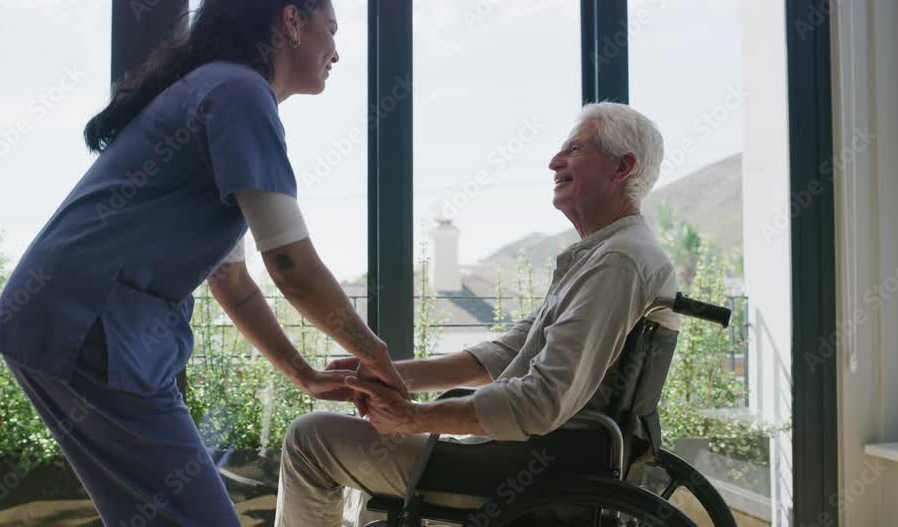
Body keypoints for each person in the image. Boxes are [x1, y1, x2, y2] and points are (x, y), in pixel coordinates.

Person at [0, 1, 406, 525]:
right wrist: (376, 354)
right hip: (87, 323)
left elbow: (231, 278)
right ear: (291, 21)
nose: (337, 52)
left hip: (70, 317)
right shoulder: (240, 93)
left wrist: (304, 374)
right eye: (332, 30)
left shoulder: (216, 89)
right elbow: (291, 266)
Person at [274, 102, 681, 527]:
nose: (553, 162)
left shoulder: (618, 261)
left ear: (622, 168)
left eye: (574, 150)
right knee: (362, 448)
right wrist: (386, 374)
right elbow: (508, 353)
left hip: (520, 468)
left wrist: (414, 418)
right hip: (536, 457)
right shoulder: (606, 255)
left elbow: (541, 401)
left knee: (310, 439)